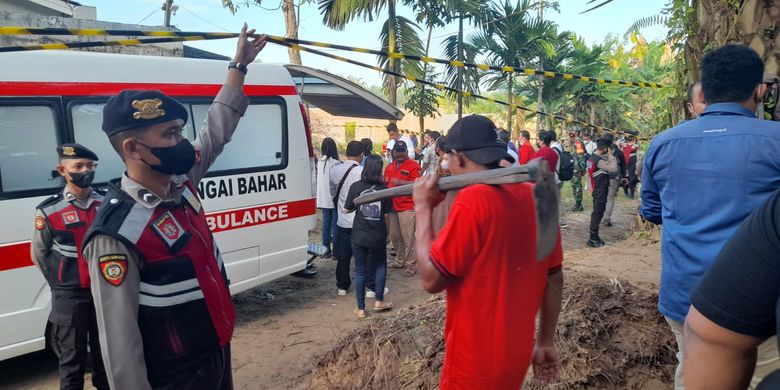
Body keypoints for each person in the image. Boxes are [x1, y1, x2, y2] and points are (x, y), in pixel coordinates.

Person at [80, 25, 266, 390]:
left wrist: (239, 65)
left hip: (214, 353)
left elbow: (216, 131)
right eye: (170, 135)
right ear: (133, 148)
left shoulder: (180, 182)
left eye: (180, 131)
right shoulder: (116, 233)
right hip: (175, 378)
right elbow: (120, 346)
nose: (182, 143)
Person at [640, 44, 780, 390]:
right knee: (762, 378)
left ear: (703, 91)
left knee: (692, 373)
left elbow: (651, 211)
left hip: (683, 296)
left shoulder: (663, 143)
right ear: (759, 90)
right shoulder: (776, 142)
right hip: (759, 300)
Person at [413, 114, 564, 388]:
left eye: (447, 159)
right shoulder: (537, 197)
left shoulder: (474, 199)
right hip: (515, 356)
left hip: (473, 367)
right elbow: (553, 278)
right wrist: (545, 341)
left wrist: (422, 209)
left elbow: (431, 279)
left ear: (457, 157)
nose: (447, 166)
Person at [684, 188, 780, 390]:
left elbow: (651, 207)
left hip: (684, 286)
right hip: (745, 307)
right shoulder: (770, 156)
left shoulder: (659, 154)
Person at [31, 144, 109, 390]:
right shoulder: (49, 210)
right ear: (62, 170)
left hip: (105, 292)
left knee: (105, 356)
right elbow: (39, 255)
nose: (85, 171)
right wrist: (62, 281)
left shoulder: (106, 202)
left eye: (90, 166)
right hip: (70, 296)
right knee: (72, 362)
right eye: (78, 166)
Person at [344, 154, 394, 319]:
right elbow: (387, 216)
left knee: (360, 270)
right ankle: (379, 301)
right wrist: (387, 234)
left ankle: (360, 309)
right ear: (379, 169)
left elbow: (347, 209)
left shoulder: (356, 187)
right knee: (380, 265)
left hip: (359, 235)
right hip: (377, 235)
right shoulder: (385, 189)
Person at [329, 141, 365, 296]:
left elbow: (332, 192)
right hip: (360, 219)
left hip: (343, 218)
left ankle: (342, 286)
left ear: (346, 153)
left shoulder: (334, 170)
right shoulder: (362, 171)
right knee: (363, 253)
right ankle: (367, 286)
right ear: (362, 155)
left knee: (344, 254)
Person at [385, 141, 420, 277]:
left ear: (406, 152)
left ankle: (411, 265)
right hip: (392, 206)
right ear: (393, 152)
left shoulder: (413, 166)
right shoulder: (389, 167)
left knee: (409, 237)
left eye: (402, 150)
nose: (400, 153)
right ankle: (399, 261)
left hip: (407, 206)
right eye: (398, 150)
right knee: (395, 236)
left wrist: (402, 183)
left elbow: (418, 182)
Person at [586, 138, 617, 248]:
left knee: (597, 211)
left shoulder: (591, 159)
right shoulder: (599, 161)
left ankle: (595, 236)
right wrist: (611, 156)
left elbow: (589, 175)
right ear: (605, 149)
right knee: (598, 212)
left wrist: (590, 187)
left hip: (596, 188)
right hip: (600, 189)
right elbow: (613, 169)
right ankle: (593, 237)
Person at [316, 138, 341, 257]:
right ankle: (336, 252)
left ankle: (325, 251)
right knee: (335, 225)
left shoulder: (319, 162)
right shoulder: (335, 163)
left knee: (326, 225)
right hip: (333, 198)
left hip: (322, 199)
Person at [602, 134, 627, 227]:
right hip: (614, 177)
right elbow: (624, 165)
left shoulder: (600, 150)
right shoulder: (619, 152)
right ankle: (606, 219)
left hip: (601, 177)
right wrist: (624, 176)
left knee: (601, 198)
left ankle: (600, 216)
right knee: (610, 199)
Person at [570, 131, 587, 212]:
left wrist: (582, 169)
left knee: (576, 186)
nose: (571, 132)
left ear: (577, 132)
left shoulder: (578, 142)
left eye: (573, 131)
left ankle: (578, 204)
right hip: (574, 167)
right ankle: (578, 204)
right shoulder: (574, 141)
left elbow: (581, 156)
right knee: (574, 185)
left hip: (577, 168)